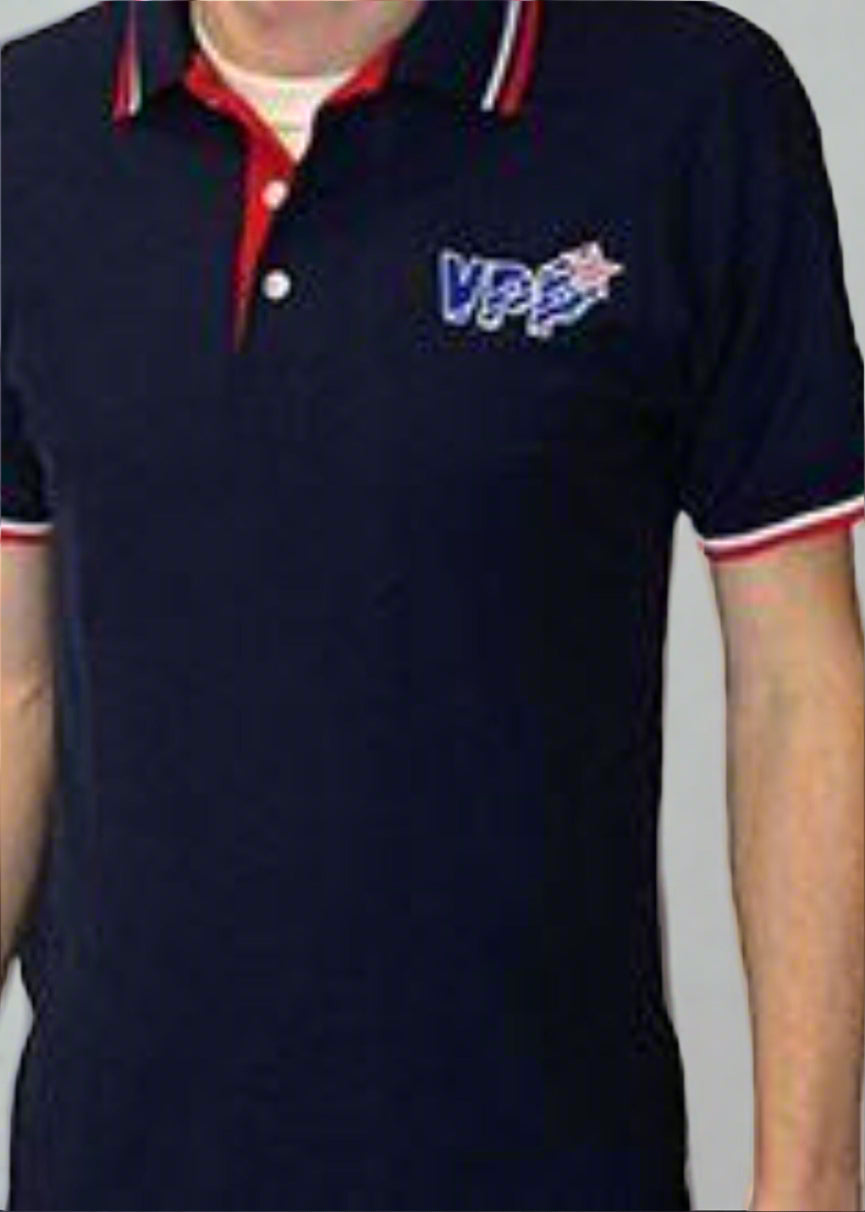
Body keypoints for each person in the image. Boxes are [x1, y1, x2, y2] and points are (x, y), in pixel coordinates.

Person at [1, 2, 863, 1209]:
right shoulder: (27, 133)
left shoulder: (687, 109)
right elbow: (14, 686)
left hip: (538, 1166)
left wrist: (812, 1184)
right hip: (111, 1169)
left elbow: (797, 684)